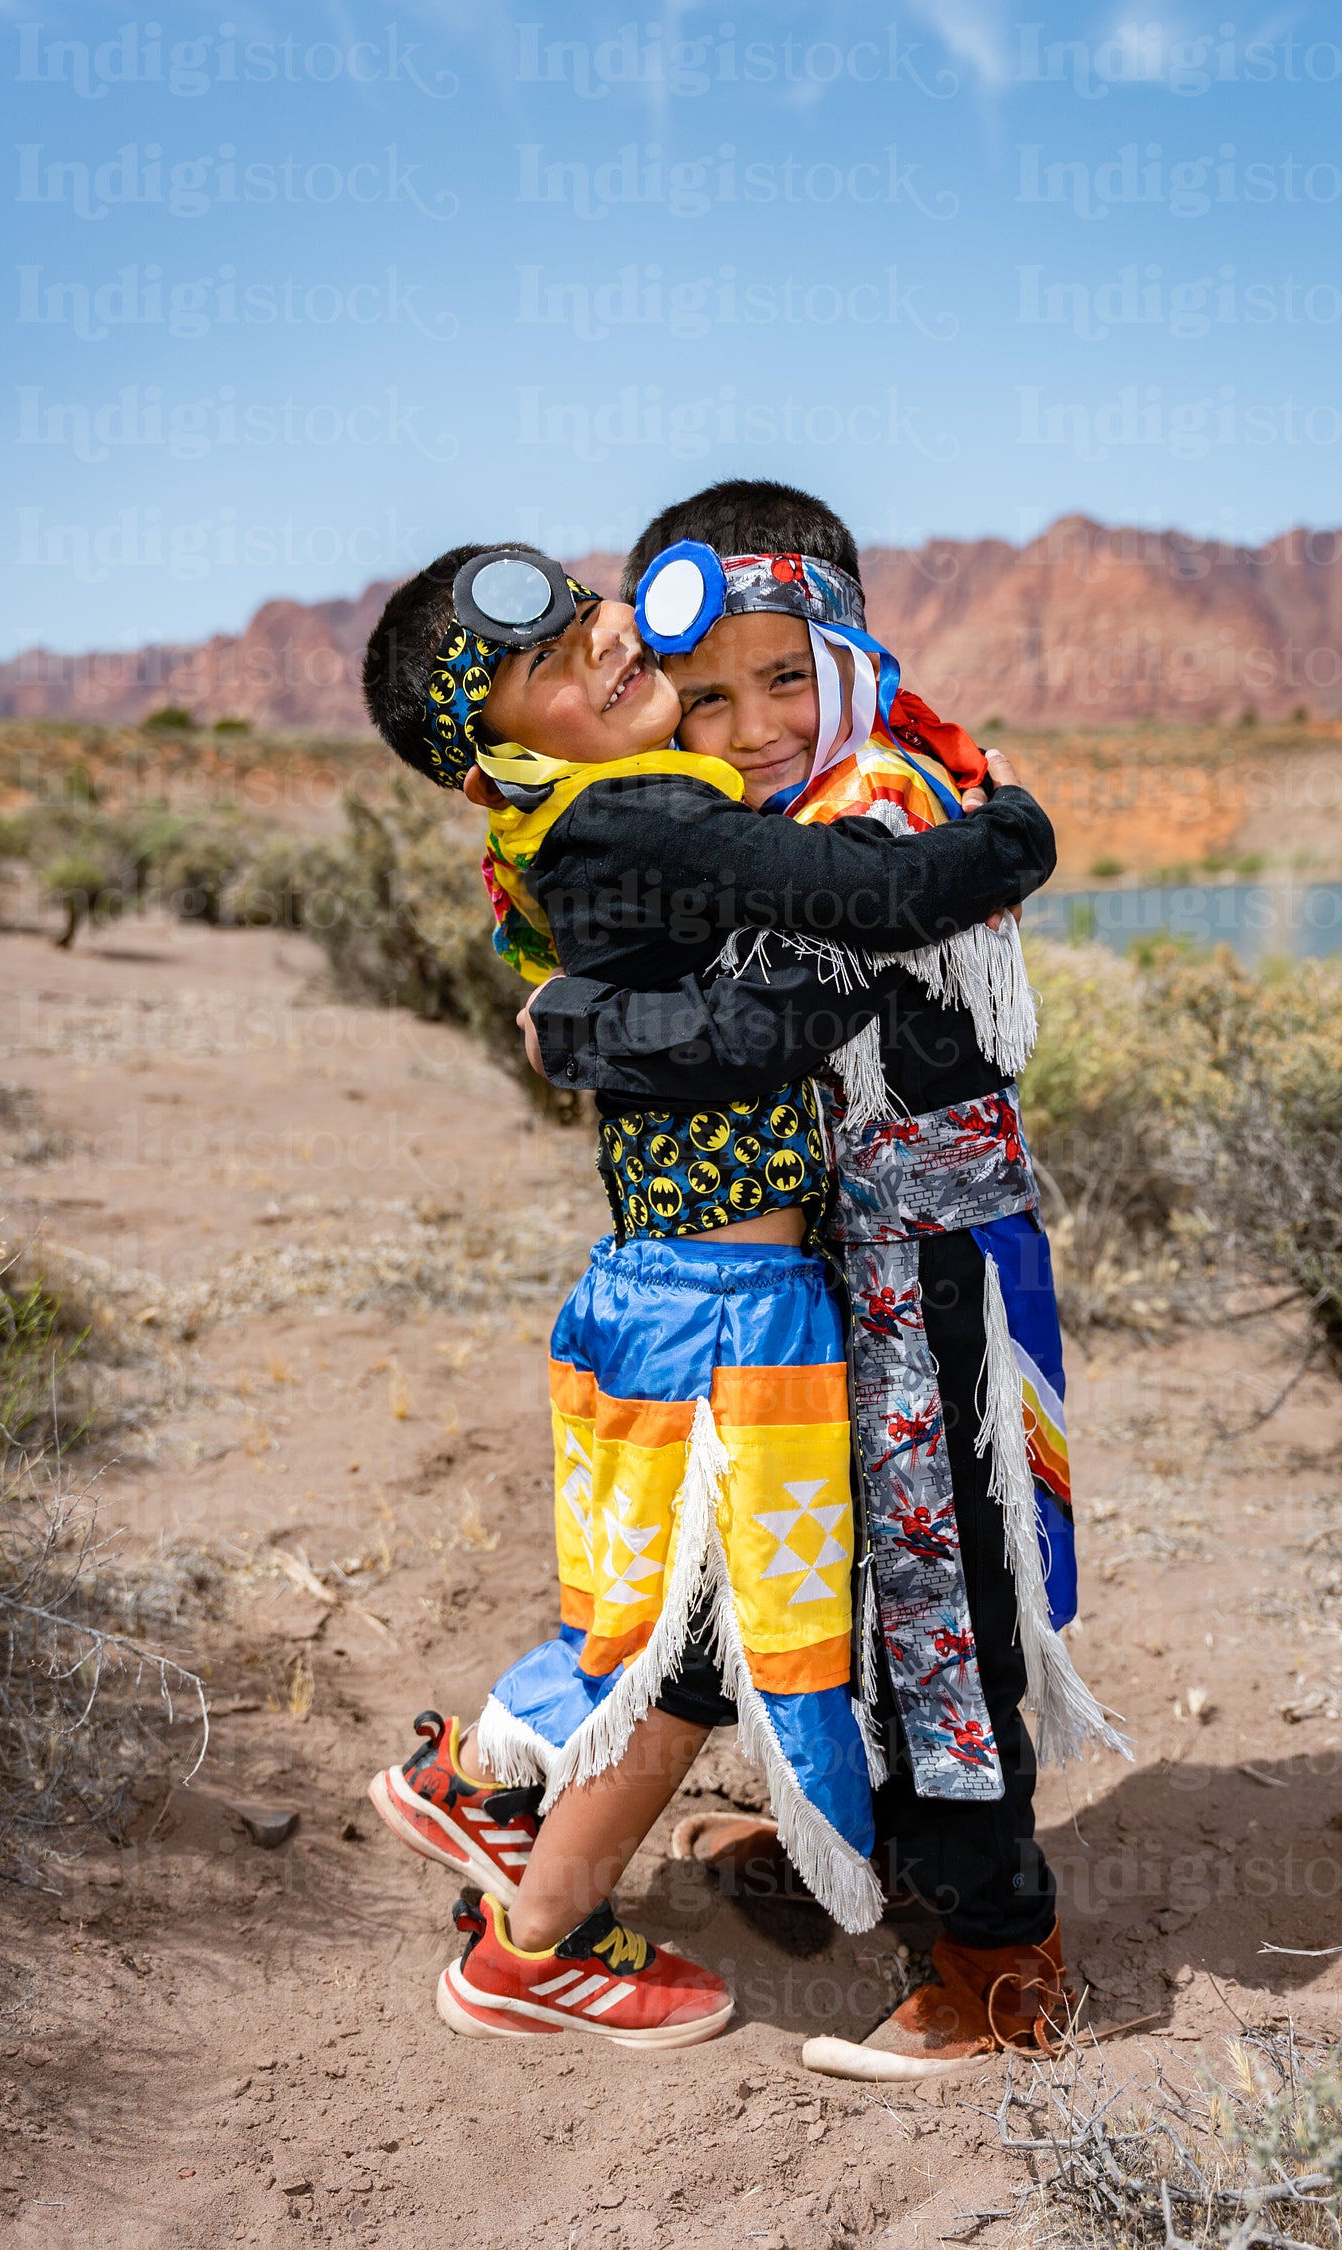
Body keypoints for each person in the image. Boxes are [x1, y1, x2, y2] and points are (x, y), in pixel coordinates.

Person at [361, 535, 1057, 2050]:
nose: (607, 649)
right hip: (729, 1311)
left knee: (662, 1609)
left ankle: (479, 1786)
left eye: (587, 610)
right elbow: (842, 921)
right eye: (549, 664)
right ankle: (534, 1935)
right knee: (689, 1639)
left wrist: (592, 1020)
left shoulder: (595, 811)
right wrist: (1016, 836)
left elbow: (685, 997)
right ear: (497, 751)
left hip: (679, 1289)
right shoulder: (653, 818)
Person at [521, 480, 1128, 2076]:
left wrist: (579, 1033)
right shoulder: (773, 824)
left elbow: (766, 1027)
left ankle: (1003, 1960)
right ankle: (853, 1840)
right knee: (831, 1578)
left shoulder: (889, 808)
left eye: (786, 675)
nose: (757, 721)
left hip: (923, 1280)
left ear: (851, 651)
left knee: (940, 1604)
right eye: (706, 694)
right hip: (830, 1281)